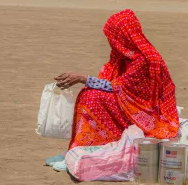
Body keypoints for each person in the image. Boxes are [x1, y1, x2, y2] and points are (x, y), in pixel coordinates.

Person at [47, 9, 179, 171]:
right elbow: (111, 81)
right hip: (130, 104)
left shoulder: (143, 59)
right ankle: (76, 149)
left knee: (91, 98)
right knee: (89, 94)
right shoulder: (124, 56)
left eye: (113, 37)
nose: (111, 42)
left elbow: (120, 88)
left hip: (144, 113)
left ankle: (89, 150)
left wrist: (83, 79)